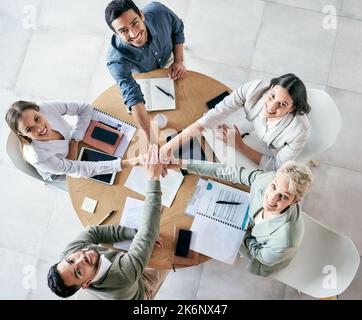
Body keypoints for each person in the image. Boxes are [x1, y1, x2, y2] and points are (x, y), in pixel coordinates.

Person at [47, 144, 169, 299]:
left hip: (123, 263)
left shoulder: (71, 253)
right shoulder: (123, 277)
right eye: (78, 272)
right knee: (171, 253)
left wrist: (134, 233)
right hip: (141, 288)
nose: (80, 259)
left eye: (70, 261)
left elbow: (94, 232)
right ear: (86, 283)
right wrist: (153, 178)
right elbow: (147, 236)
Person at [168, 159, 313, 276]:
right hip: (250, 225)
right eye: (274, 187)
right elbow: (231, 172)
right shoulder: (269, 179)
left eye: (284, 196)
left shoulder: (285, 241)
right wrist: (185, 165)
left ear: (295, 202)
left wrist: (243, 233)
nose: (272, 198)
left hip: (261, 258)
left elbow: (261, 256)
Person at [161, 74, 311, 171]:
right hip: (251, 130)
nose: (271, 107)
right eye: (272, 96)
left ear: (293, 109)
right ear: (270, 87)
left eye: (282, 104)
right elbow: (212, 116)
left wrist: (239, 145)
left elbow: (276, 166)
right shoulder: (254, 88)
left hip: (270, 150)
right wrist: (170, 145)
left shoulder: (299, 132)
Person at [105, 0, 186, 141]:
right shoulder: (115, 59)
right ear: (115, 33)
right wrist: (152, 141)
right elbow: (132, 96)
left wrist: (179, 61)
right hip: (145, 74)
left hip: (171, 58)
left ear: (141, 15)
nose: (134, 34)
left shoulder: (159, 11)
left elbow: (178, 28)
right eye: (123, 31)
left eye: (135, 23)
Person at [5, 100, 138, 179]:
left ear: (37, 110)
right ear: (22, 135)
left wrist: (75, 140)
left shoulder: (44, 107)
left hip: (74, 144)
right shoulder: (39, 157)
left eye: (37, 118)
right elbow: (78, 169)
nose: (40, 128)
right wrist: (123, 164)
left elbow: (84, 108)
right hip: (59, 170)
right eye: (29, 129)